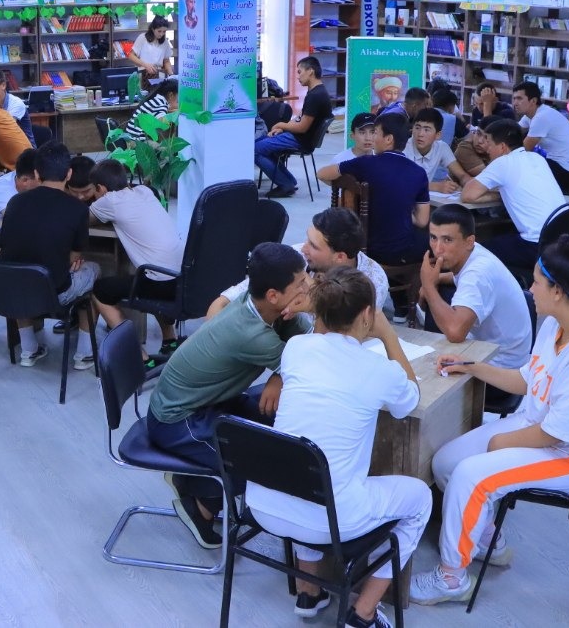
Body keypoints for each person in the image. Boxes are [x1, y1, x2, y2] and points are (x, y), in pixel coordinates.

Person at [411, 231, 569, 607]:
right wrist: (471, 366)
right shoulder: (555, 325)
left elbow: (558, 433)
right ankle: (487, 539)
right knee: (445, 462)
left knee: (470, 475)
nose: (530, 289)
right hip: (539, 426)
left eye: (537, 282)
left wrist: (500, 443)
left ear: (558, 291)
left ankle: (451, 578)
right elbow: (527, 380)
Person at [247, 267, 428, 627]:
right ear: (367, 314)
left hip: (265, 502)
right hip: (328, 519)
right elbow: (410, 400)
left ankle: (309, 590)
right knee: (421, 499)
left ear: (319, 312)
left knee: (309, 461)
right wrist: (388, 334)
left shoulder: (296, 349)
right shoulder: (378, 370)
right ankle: (364, 612)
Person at [147, 243, 313, 549]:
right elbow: (310, 366)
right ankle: (199, 506)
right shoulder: (249, 332)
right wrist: (284, 370)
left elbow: (306, 341)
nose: (309, 288)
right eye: (301, 283)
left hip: (213, 401)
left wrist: (279, 374)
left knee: (277, 427)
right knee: (257, 464)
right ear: (273, 295)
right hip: (178, 419)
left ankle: (192, 480)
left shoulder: (266, 307)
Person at [0, 142, 100, 366]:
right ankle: (84, 353)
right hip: (54, 293)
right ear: (69, 174)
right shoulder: (78, 209)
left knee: (21, 273)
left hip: (12, 290)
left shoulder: (14, 202)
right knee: (95, 269)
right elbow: (74, 257)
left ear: (36, 173)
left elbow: (3, 249)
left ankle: (28, 350)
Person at [84, 158, 184, 369]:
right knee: (150, 274)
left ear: (101, 188)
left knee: (99, 291)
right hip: (181, 277)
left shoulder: (109, 201)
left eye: (93, 190)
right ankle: (170, 340)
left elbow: (84, 221)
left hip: (159, 282)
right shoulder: (144, 191)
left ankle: (140, 356)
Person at [208, 207, 393, 320]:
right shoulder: (296, 257)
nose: (304, 248)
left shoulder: (372, 280)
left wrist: (313, 296)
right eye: (307, 239)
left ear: (340, 257)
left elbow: (346, 332)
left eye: (313, 245)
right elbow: (224, 301)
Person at [418, 205, 533, 370]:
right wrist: (437, 279)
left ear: (469, 241)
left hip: (501, 365)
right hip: (499, 348)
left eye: (447, 240)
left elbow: (455, 333)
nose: (438, 249)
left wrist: (428, 285)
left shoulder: (477, 273)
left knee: (424, 370)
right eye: (433, 238)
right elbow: (461, 277)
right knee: (439, 295)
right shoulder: (473, 252)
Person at [317, 112, 430, 266]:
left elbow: (322, 173)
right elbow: (422, 221)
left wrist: (347, 186)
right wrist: (400, 208)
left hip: (368, 250)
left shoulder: (365, 163)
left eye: (375, 132)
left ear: (388, 139)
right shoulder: (419, 172)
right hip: (402, 251)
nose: (371, 138)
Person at [461, 119, 567, 271]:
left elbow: (467, 194)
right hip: (562, 238)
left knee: (473, 253)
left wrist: (499, 196)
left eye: (489, 143)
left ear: (502, 147)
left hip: (535, 244)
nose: (487, 149)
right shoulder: (537, 158)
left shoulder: (503, 162)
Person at [254, 57, 331, 198]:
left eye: (299, 72)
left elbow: (301, 127)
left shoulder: (315, 96)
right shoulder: (317, 92)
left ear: (310, 71)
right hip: (299, 137)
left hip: (301, 140)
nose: (298, 76)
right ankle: (288, 182)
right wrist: (284, 128)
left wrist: (281, 125)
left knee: (254, 149)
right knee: (261, 142)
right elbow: (300, 118)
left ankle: (285, 184)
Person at [512, 81, 569, 193]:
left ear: (533, 101)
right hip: (560, 166)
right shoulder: (532, 114)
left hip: (566, 174)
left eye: (519, 98)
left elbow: (524, 150)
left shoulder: (541, 117)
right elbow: (512, 132)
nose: (515, 103)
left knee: (518, 172)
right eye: (514, 98)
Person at [404, 107, 458, 191]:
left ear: (438, 135)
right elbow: (401, 182)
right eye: (417, 128)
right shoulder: (403, 148)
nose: (420, 134)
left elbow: (461, 175)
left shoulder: (441, 147)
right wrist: (436, 186)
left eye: (426, 130)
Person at [0, 67, 35, 146]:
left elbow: (6, 130)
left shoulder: (16, 103)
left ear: (3, 85)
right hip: (5, 146)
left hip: (25, 149)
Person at [125, 77, 178, 141]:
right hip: (137, 141)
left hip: (131, 138)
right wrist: (176, 115)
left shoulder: (157, 99)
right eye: (178, 100)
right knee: (166, 145)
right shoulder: (160, 104)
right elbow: (163, 125)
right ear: (171, 95)